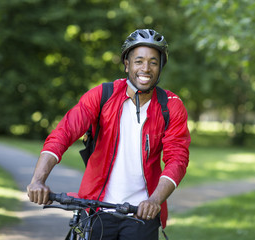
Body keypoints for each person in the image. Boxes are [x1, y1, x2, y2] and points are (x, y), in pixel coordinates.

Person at [27, 29, 191, 240]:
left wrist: (154, 200)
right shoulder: (103, 95)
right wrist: (38, 180)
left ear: (160, 68)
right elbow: (64, 133)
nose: (146, 68)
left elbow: (177, 158)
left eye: (153, 62)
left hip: (141, 213)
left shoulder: (171, 106)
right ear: (127, 64)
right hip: (96, 210)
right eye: (139, 61)